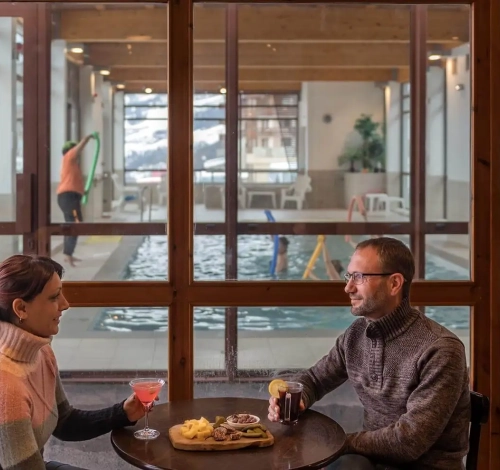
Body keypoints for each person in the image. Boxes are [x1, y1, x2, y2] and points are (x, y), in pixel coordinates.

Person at [268, 237, 470, 470]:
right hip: (369, 462)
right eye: (349, 276)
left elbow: (409, 441)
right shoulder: (356, 334)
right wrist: (297, 398)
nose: (348, 287)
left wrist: (340, 443)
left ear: (394, 284)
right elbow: (315, 379)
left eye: (359, 277)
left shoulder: (440, 349)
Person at [0, 255, 152, 470]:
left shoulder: (42, 353)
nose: (65, 304)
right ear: (21, 308)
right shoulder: (7, 386)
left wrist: (123, 413)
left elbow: (64, 422)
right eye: (54, 297)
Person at [56, 135, 94, 267]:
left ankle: (68, 254)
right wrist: (88, 138)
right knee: (76, 224)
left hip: (69, 197)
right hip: (68, 197)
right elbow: (79, 148)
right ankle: (68, 254)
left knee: (72, 224)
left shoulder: (72, 164)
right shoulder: (68, 157)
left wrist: (83, 191)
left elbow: (74, 182)